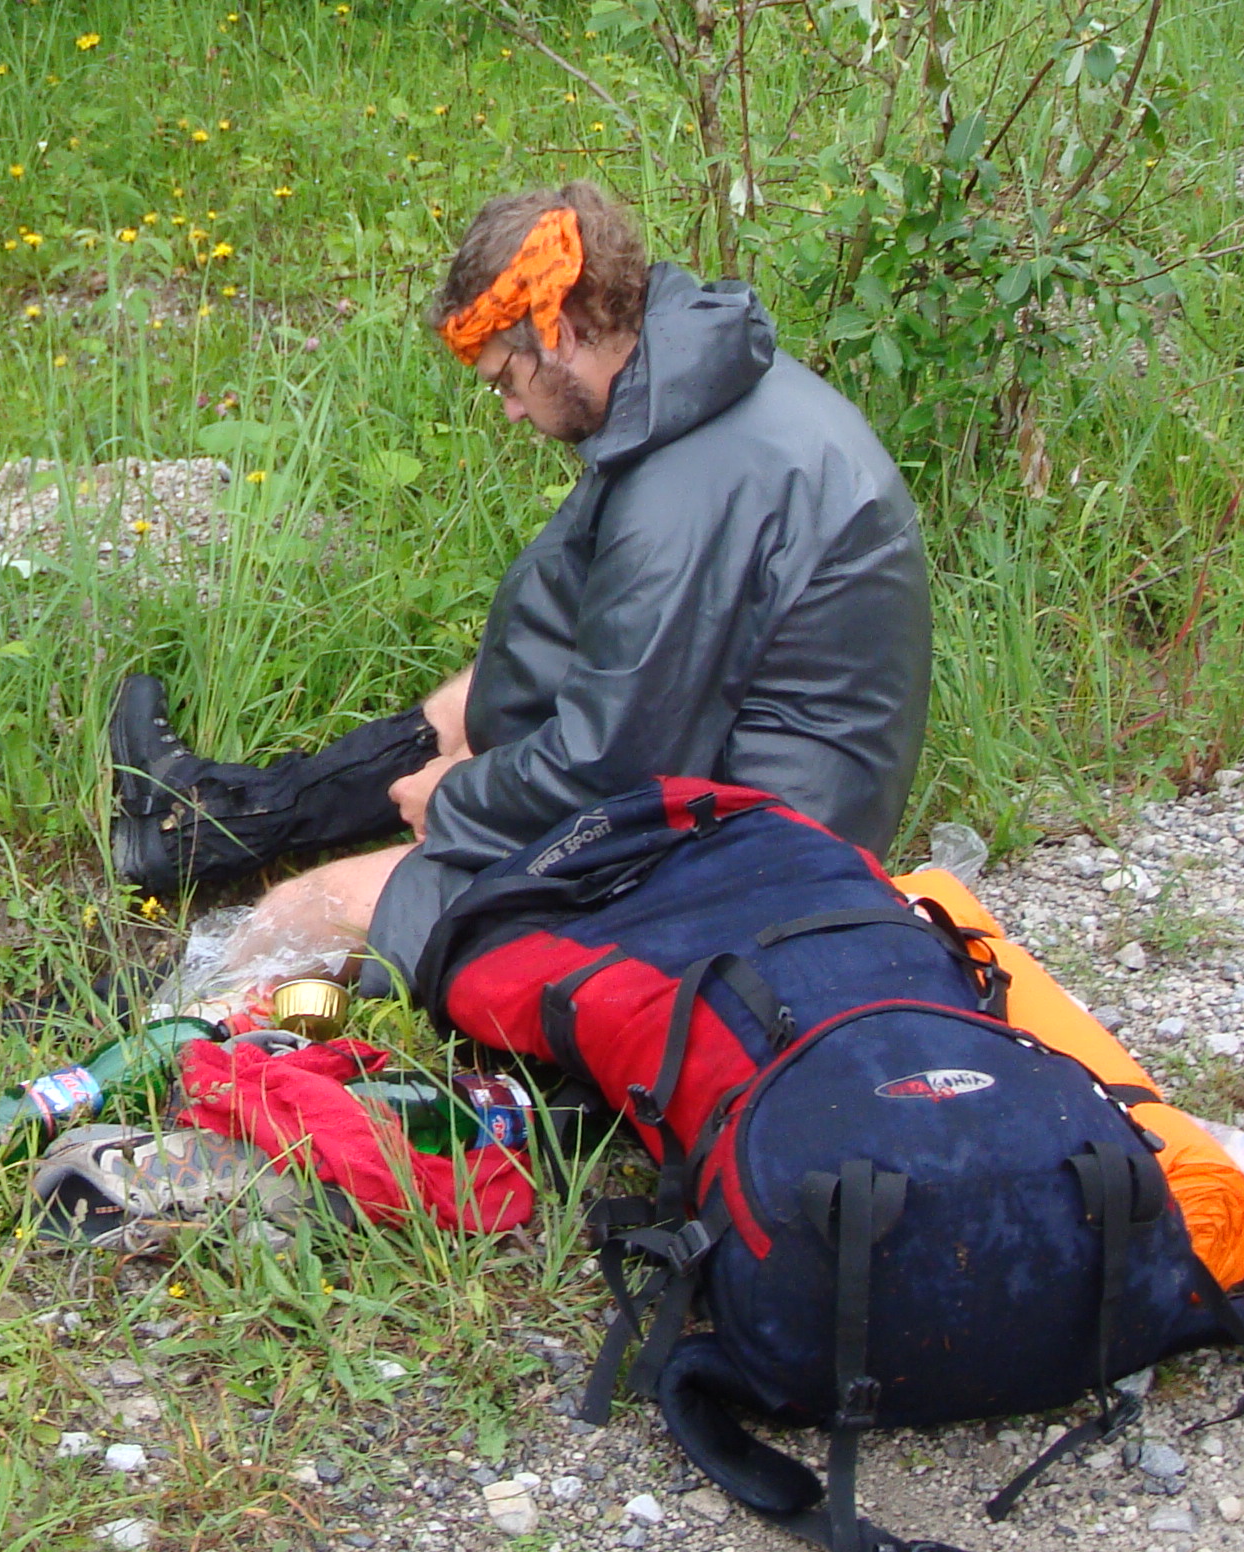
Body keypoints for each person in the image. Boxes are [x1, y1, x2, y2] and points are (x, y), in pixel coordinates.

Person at [109, 181, 932, 981]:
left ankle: (164, 1016)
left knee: (309, 909)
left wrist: (456, 799)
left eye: (507, 379)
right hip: (738, 755)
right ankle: (211, 820)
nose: (508, 409)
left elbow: (618, 766)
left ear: (559, 330)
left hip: (756, 856)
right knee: (466, 704)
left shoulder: (688, 491)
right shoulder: (689, 378)